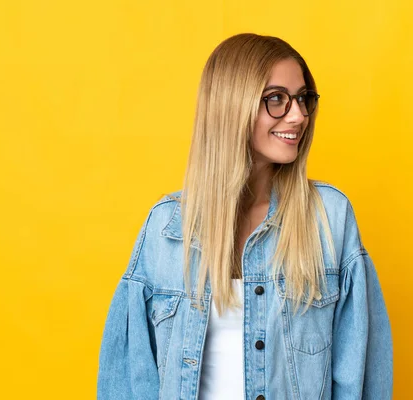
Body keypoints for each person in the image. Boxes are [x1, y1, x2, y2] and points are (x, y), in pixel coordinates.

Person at [97, 33, 392, 400]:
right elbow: (128, 380)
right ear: (230, 106)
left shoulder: (329, 219)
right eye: (276, 99)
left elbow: (361, 377)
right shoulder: (167, 229)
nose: (298, 115)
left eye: (303, 99)